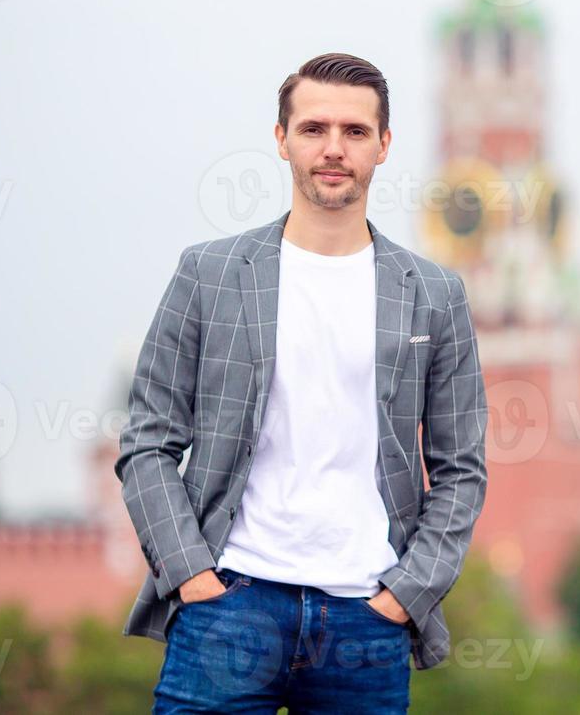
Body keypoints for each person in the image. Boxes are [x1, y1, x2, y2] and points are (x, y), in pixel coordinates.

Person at [116, 52, 488, 713]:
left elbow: (460, 469)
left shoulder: (433, 295)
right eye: (314, 129)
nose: (334, 149)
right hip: (230, 606)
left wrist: (406, 593)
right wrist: (192, 575)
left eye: (354, 132)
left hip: (365, 621)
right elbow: (147, 441)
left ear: (383, 146)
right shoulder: (209, 274)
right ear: (282, 139)